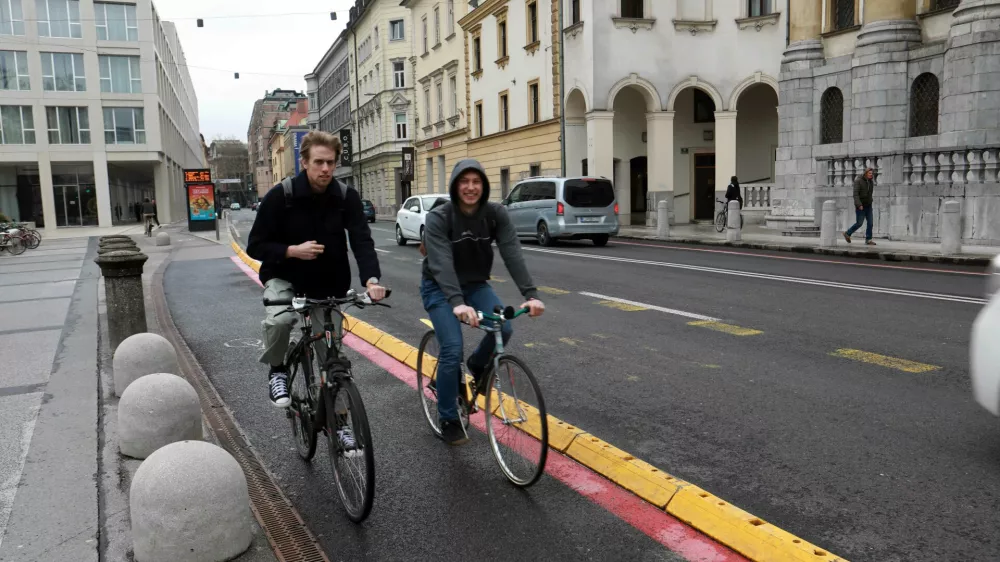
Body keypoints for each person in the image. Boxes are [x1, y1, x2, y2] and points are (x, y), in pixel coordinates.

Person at [247, 130, 386, 414]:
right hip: (284, 276)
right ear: (304, 162)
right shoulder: (281, 196)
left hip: (328, 283)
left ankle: (343, 429)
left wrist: (371, 279)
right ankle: (277, 371)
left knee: (334, 359)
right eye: (319, 162)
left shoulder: (345, 196)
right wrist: (291, 251)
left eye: (331, 163)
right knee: (280, 320)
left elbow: (361, 239)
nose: (326, 169)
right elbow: (256, 246)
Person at [421, 159, 545, 445]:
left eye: (476, 181)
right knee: (451, 347)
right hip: (439, 287)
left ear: (484, 186)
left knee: (505, 328)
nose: (470, 187)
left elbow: (512, 252)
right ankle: (449, 417)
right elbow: (440, 263)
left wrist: (531, 294)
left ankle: (476, 367)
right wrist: (457, 303)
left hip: (475, 284)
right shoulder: (440, 217)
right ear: (455, 185)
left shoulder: (494, 214)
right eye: (464, 181)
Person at [844, 168, 876, 245]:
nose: (871, 175)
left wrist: (870, 200)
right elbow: (855, 194)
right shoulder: (858, 181)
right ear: (866, 173)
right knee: (859, 223)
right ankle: (847, 233)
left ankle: (868, 239)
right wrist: (859, 204)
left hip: (868, 205)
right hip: (861, 206)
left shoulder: (871, 182)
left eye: (872, 173)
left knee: (870, 223)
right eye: (869, 173)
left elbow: (869, 193)